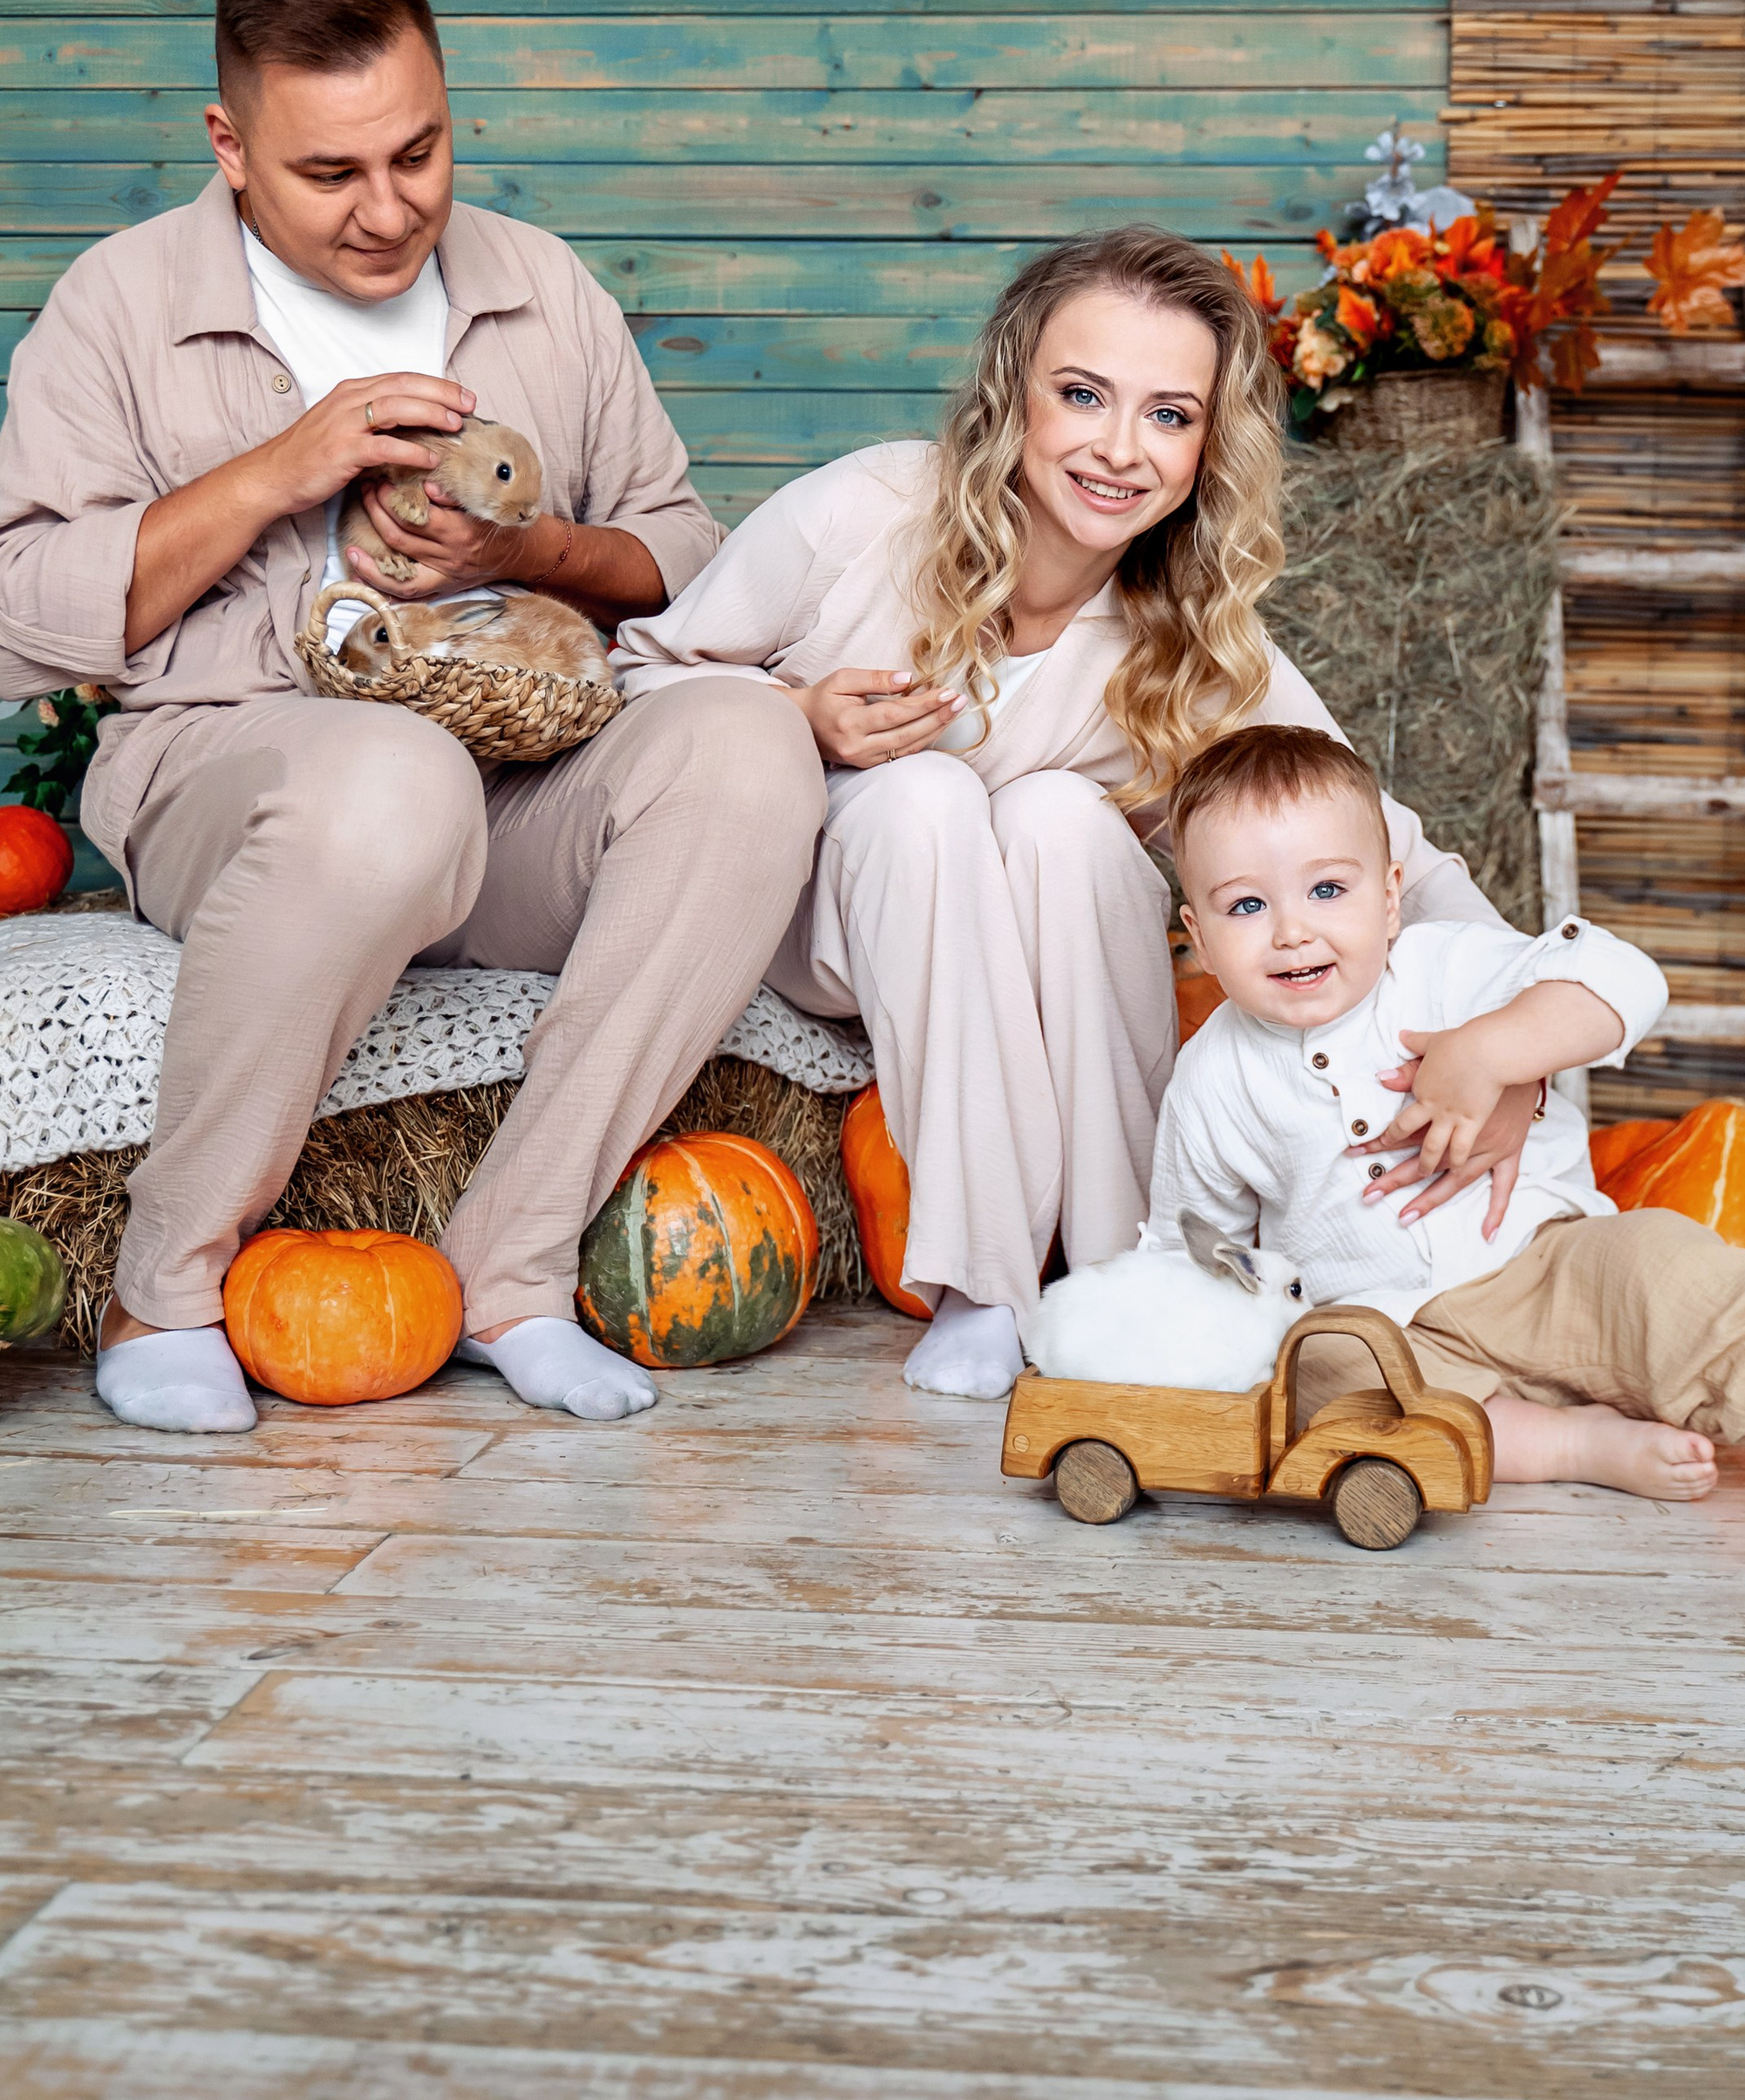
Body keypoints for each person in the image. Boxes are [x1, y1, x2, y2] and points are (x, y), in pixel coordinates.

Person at [0, 0, 826, 1435]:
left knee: (747, 743)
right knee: (391, 778)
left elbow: (686, 553)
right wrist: (279, 472)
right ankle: (163, 1284)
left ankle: (512, 1265)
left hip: (515, 793)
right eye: (330, 173)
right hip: (240, 779)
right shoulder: (117, 304)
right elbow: (9, 623)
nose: (388, 209)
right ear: (229, 146)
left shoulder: (540, 285)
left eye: (417, 152)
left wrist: (536, 547)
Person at [613, 225, 1531, 1402]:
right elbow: (639, 682)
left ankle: (1132, 1268)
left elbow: (1377, 844)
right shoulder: (864, 513)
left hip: (1012, 940)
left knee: (1062, 818)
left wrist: (1517, 1041)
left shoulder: (1187, 638)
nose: (1118, 450)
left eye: (1168, 414)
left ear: (1209, 444)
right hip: (814, 922)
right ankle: (984, 1285)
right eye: (1084, 395)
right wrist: (796, 715)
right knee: (921, 794)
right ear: (1014, 394)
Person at [1149, 721, 1745, 1542]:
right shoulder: (1212, 1077)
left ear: (1392, 896)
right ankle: (1575, 1443)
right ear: (1201, 941)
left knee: (1681, 1272)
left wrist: (1488, 1048)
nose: (1293, 930)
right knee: (1324, 1382)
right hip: (1385, 1324)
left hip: (1547, 1263)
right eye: (1248, 906)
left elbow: (1625, 978)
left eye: (1328, 890)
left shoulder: (1447, 969)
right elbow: (1197, 1245)